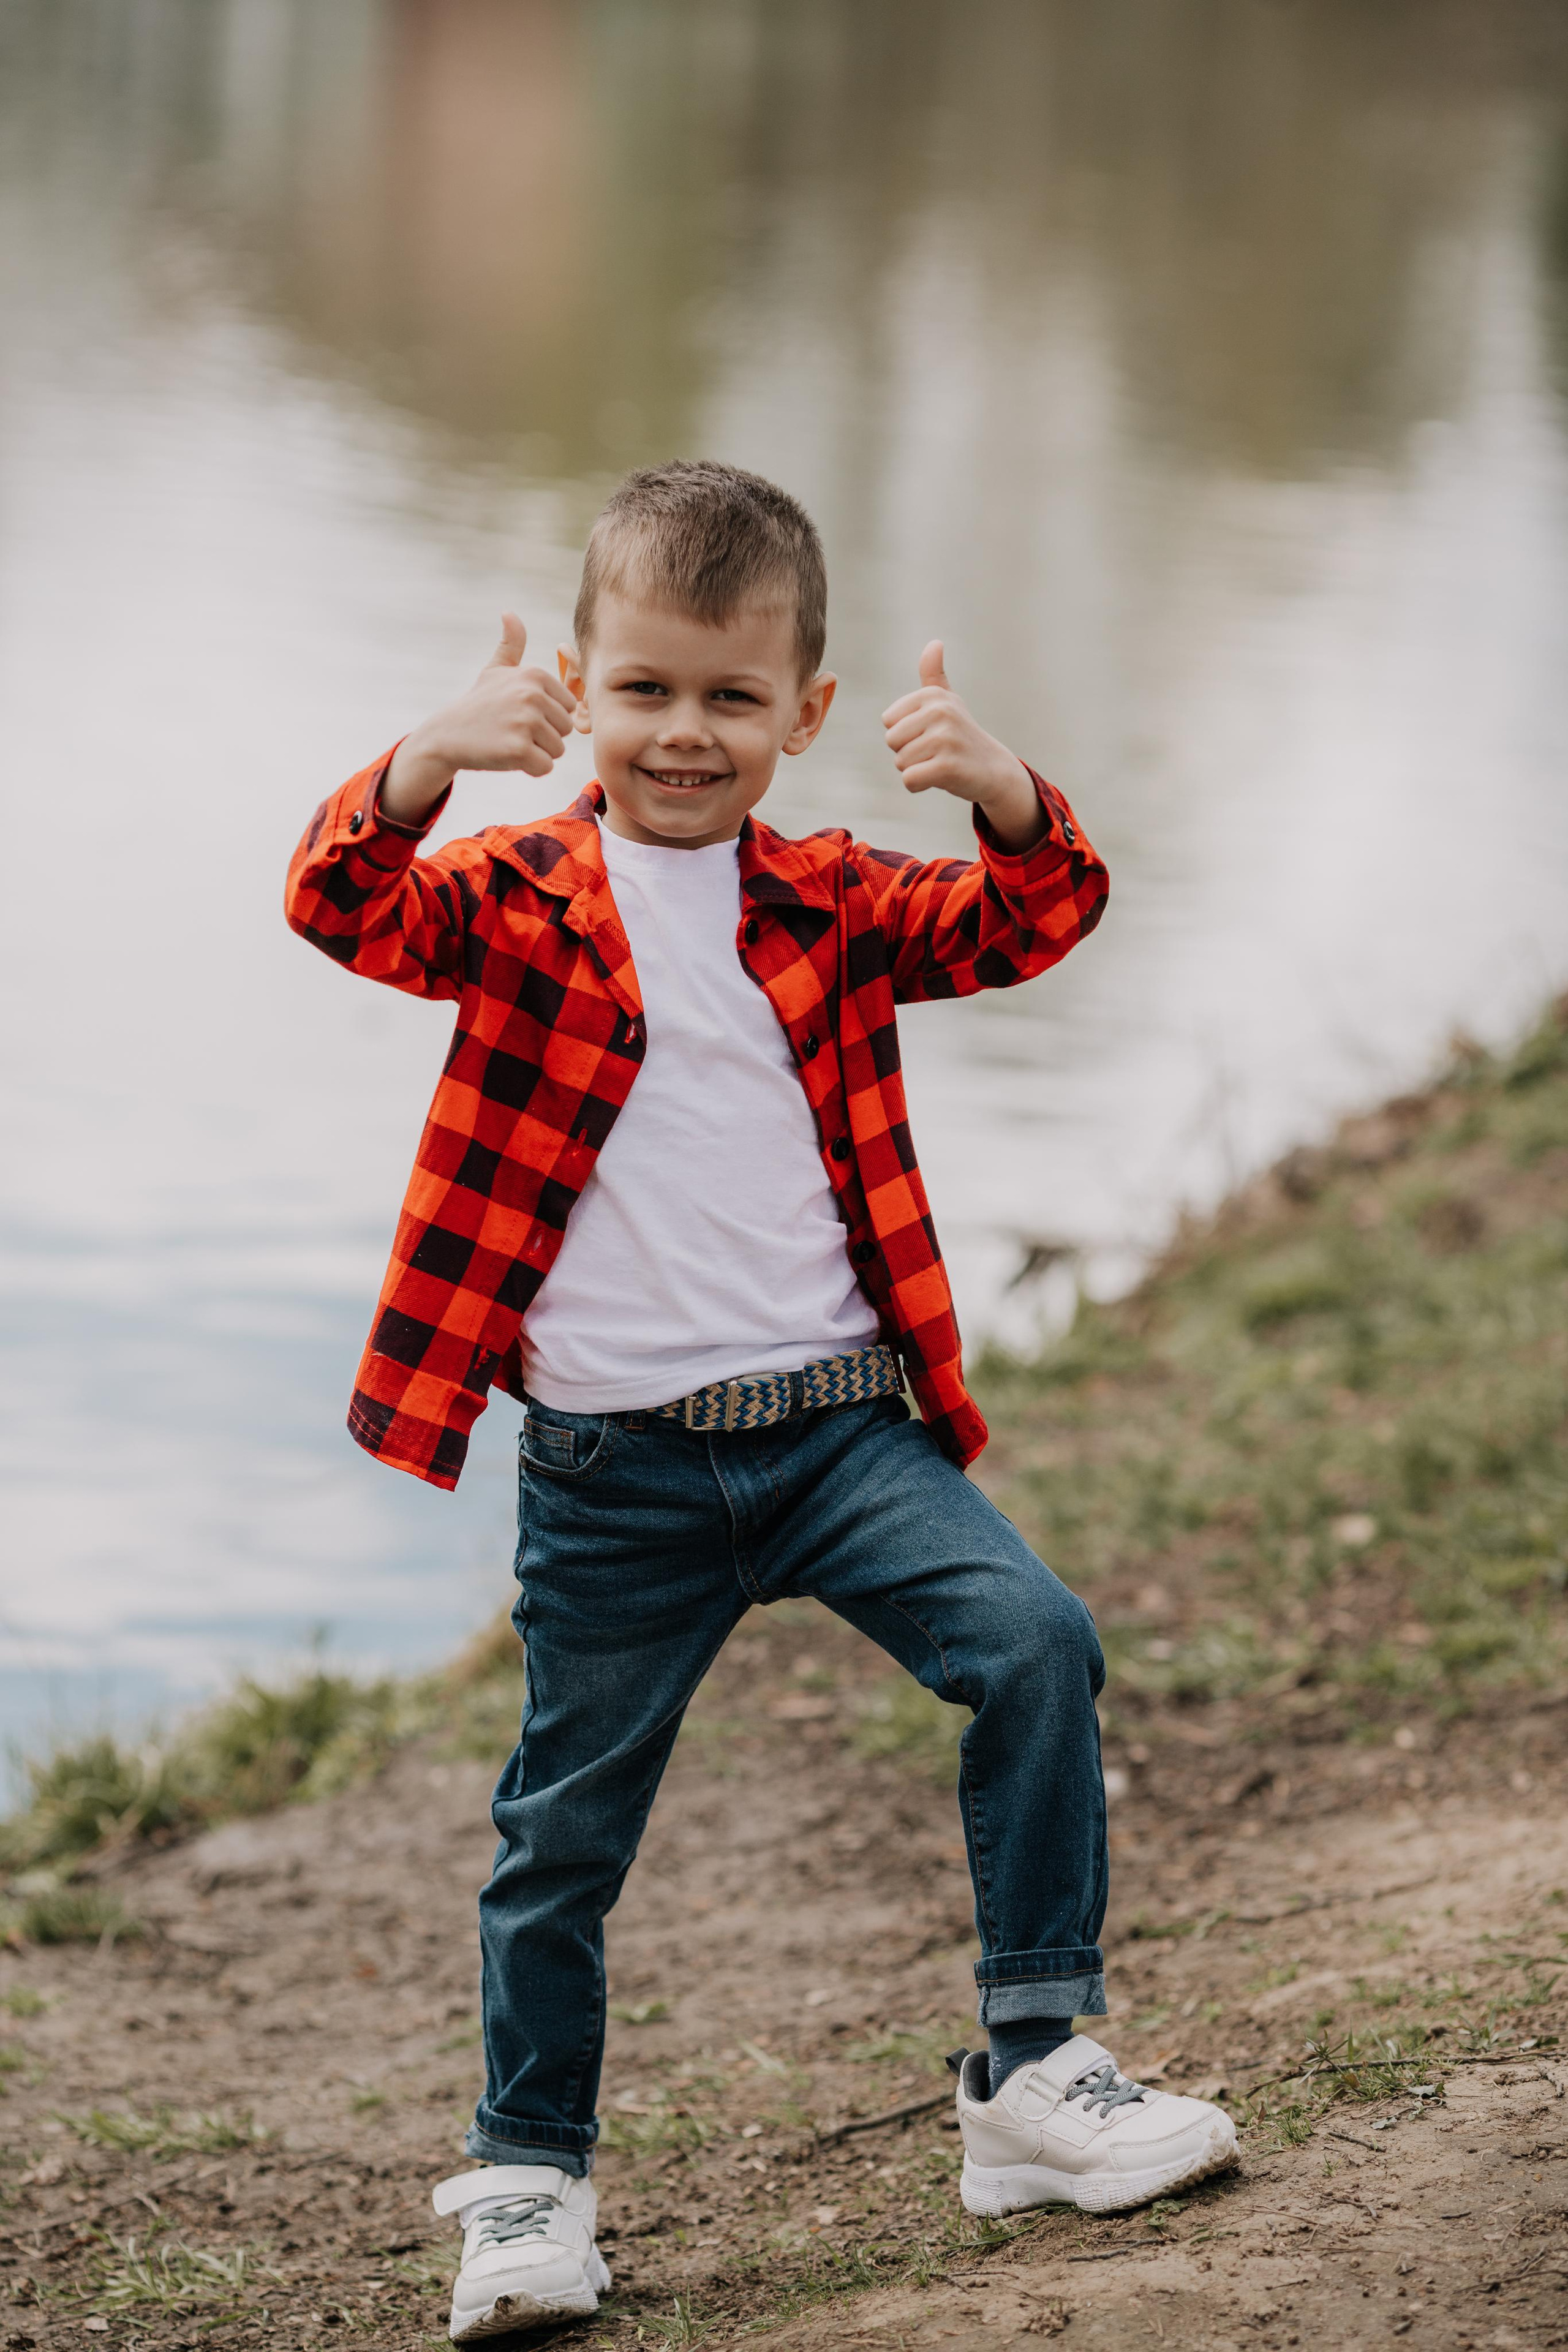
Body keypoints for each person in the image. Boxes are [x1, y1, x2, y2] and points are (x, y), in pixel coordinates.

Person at [285, 460, 1235, 2342]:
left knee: (1036, 1645)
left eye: (732, 698)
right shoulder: (510, 896)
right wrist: (427, 759)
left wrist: (1005, 793)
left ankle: (1038, 2076)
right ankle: (531, 2184)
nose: (684, 735)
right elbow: (338, 902)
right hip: (613, 1475)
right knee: (564, 1832)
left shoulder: (837, 899)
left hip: (835, 1435)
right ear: (580, 682)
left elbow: (1038, 917)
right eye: (642, 690)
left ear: (805, 712)